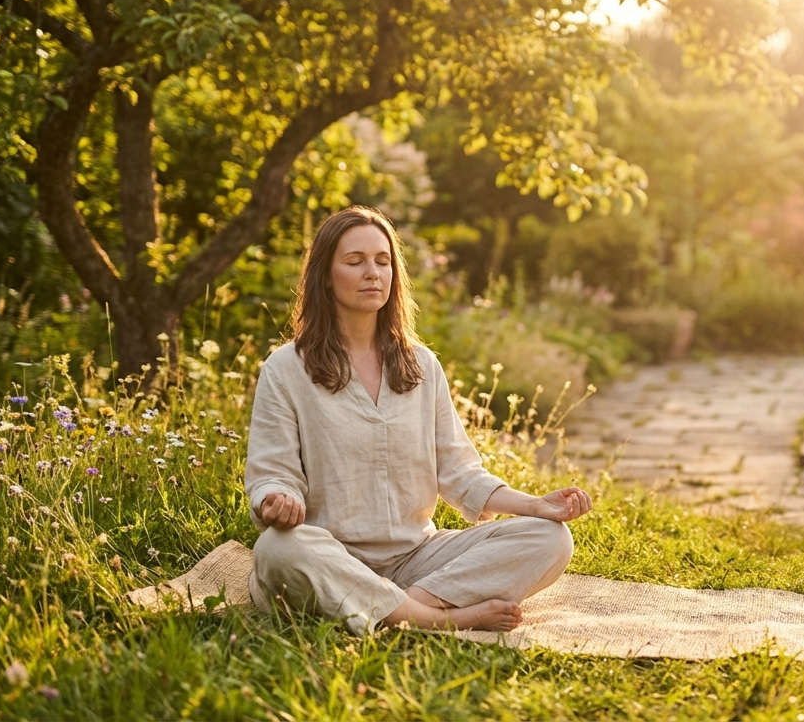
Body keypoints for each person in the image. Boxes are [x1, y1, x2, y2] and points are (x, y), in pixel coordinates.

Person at [244, 206, 592, 636]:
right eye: (355, 262)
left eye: (383, 261)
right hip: (328, 554)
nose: (373, 272)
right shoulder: (285, 369)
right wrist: (277, 499)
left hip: (416, 558)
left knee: (551, 538)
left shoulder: (421, 365)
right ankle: (439, 618)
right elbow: (270, 475)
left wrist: (536, 506)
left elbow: (460, 471)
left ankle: (398, 608)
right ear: (325, 275)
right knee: (277, 549)